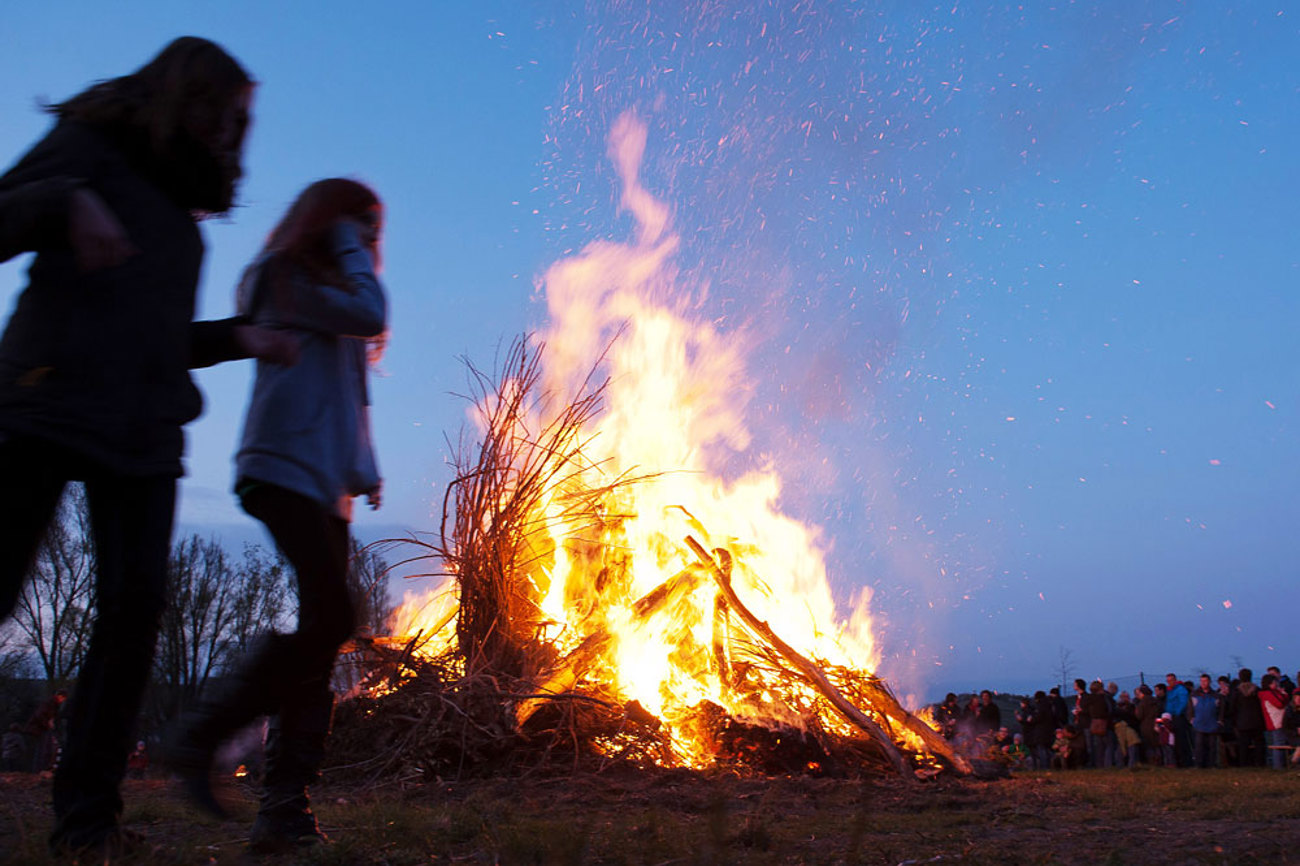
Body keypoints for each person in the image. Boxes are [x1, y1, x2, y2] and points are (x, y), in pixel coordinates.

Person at [0, 38, 294, 856]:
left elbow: (160, 339)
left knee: (133, 622)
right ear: (185, 96)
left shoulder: (179, 202)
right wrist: (64, 200)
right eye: (227, 113)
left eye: (242, 122)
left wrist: (242, 337)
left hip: (143, 435)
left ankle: (88, 826)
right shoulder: (90, 148)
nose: (234, 133)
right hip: (48, 402)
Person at [170, 178, 387, 852]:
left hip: (328, 488)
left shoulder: (330, 297)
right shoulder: (282, 277)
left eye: (372, 232)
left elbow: (350, 395)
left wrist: (364, 472)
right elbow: (370, 311)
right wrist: (349, 243)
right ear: (328, 225)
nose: (370, 244)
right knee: (334, 618)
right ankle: (203, 736)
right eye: (359, 228)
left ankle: (284, 813)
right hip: (280, 469)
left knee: (320, 647)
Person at [1190, 673, 1221, 768]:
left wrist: (1220, 720)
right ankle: (1199, 764)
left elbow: (1221, 709)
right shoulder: (1194, 695)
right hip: (1199, 723)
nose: (1203, 683)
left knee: (1212, 746)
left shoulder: (1216, 695)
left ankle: (1211, 764)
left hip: (1212, 723)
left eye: (1205, 681)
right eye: (1202, 681)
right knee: (1199, 746)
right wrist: (1191, 719)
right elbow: (1189, 708)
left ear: (1209, 682)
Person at [1260, 673, 1288, 769]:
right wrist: (1283, 694)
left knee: (1279, 743)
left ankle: (1280, 764)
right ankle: (1278, 766)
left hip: (1277, 720)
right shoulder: (1268, 694)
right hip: (1276, 721)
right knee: (1278, 743)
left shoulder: (1268, 694)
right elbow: (1279, 703)